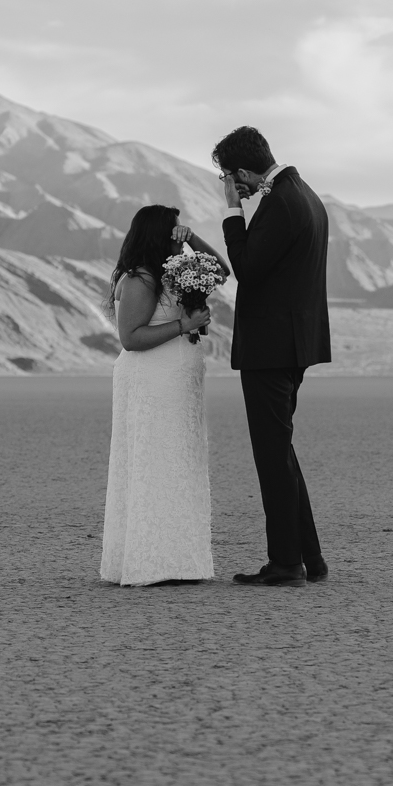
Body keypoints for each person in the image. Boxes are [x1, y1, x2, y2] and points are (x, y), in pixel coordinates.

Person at [214, 126, 332, 587]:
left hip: (271, 348)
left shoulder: (282, 201)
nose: (230, 184)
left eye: (229, 177)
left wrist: (231, 211)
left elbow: (247, 268)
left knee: (271, 455)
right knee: (280, 451)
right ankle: (310, 558)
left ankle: (286, 564)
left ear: (242, 171)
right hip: (293, 345)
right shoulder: (305, 194)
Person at [99, 204, 230, 586]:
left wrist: (192, 239)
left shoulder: (175, 272)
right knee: (154, 462)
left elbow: (221, 271)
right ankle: (148, 563)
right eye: (173, 229)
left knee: (179, 463)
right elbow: (131, 339)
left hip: (179, 381)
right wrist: (183, 324)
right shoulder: (139, 278)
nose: (178, 233)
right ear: (158, 233)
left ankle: (179, 561)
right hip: (152, 381)